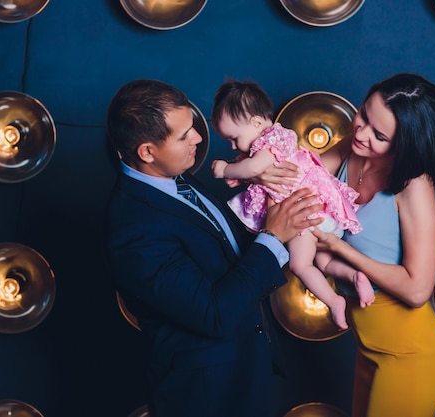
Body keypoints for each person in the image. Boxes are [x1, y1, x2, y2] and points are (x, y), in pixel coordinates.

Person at [103, 79, 324, 417]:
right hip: (209, 395)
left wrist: (264, 187)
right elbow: (212, 313)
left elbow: (226, 253)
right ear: (147, 152)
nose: (198, 138)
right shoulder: (132, 227)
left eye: (193, 126)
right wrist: (274, 236)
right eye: (183, 136)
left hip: (250, 370)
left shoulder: (177, 177)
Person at [312, 73, 435, 417]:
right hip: (369, 348)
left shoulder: (414, 186)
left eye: (380, 135)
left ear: (405, 144)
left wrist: (340, 249)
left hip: (411, 355)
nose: (361, 133)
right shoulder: (348, 152)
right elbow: (301, 181)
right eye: (364, 114)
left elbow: (416, 290)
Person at [209, 79, 375, 330]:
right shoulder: (273, 140)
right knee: (324, 263)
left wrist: (226, 169)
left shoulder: (270, 141)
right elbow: (256, 171)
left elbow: (254, 167)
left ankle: (334, 301)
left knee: (299, 265)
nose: (233, 147)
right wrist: (241, 174)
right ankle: (355, 276)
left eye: (234, 139)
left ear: (256, 123)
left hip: (307, 214)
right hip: (319, 215)